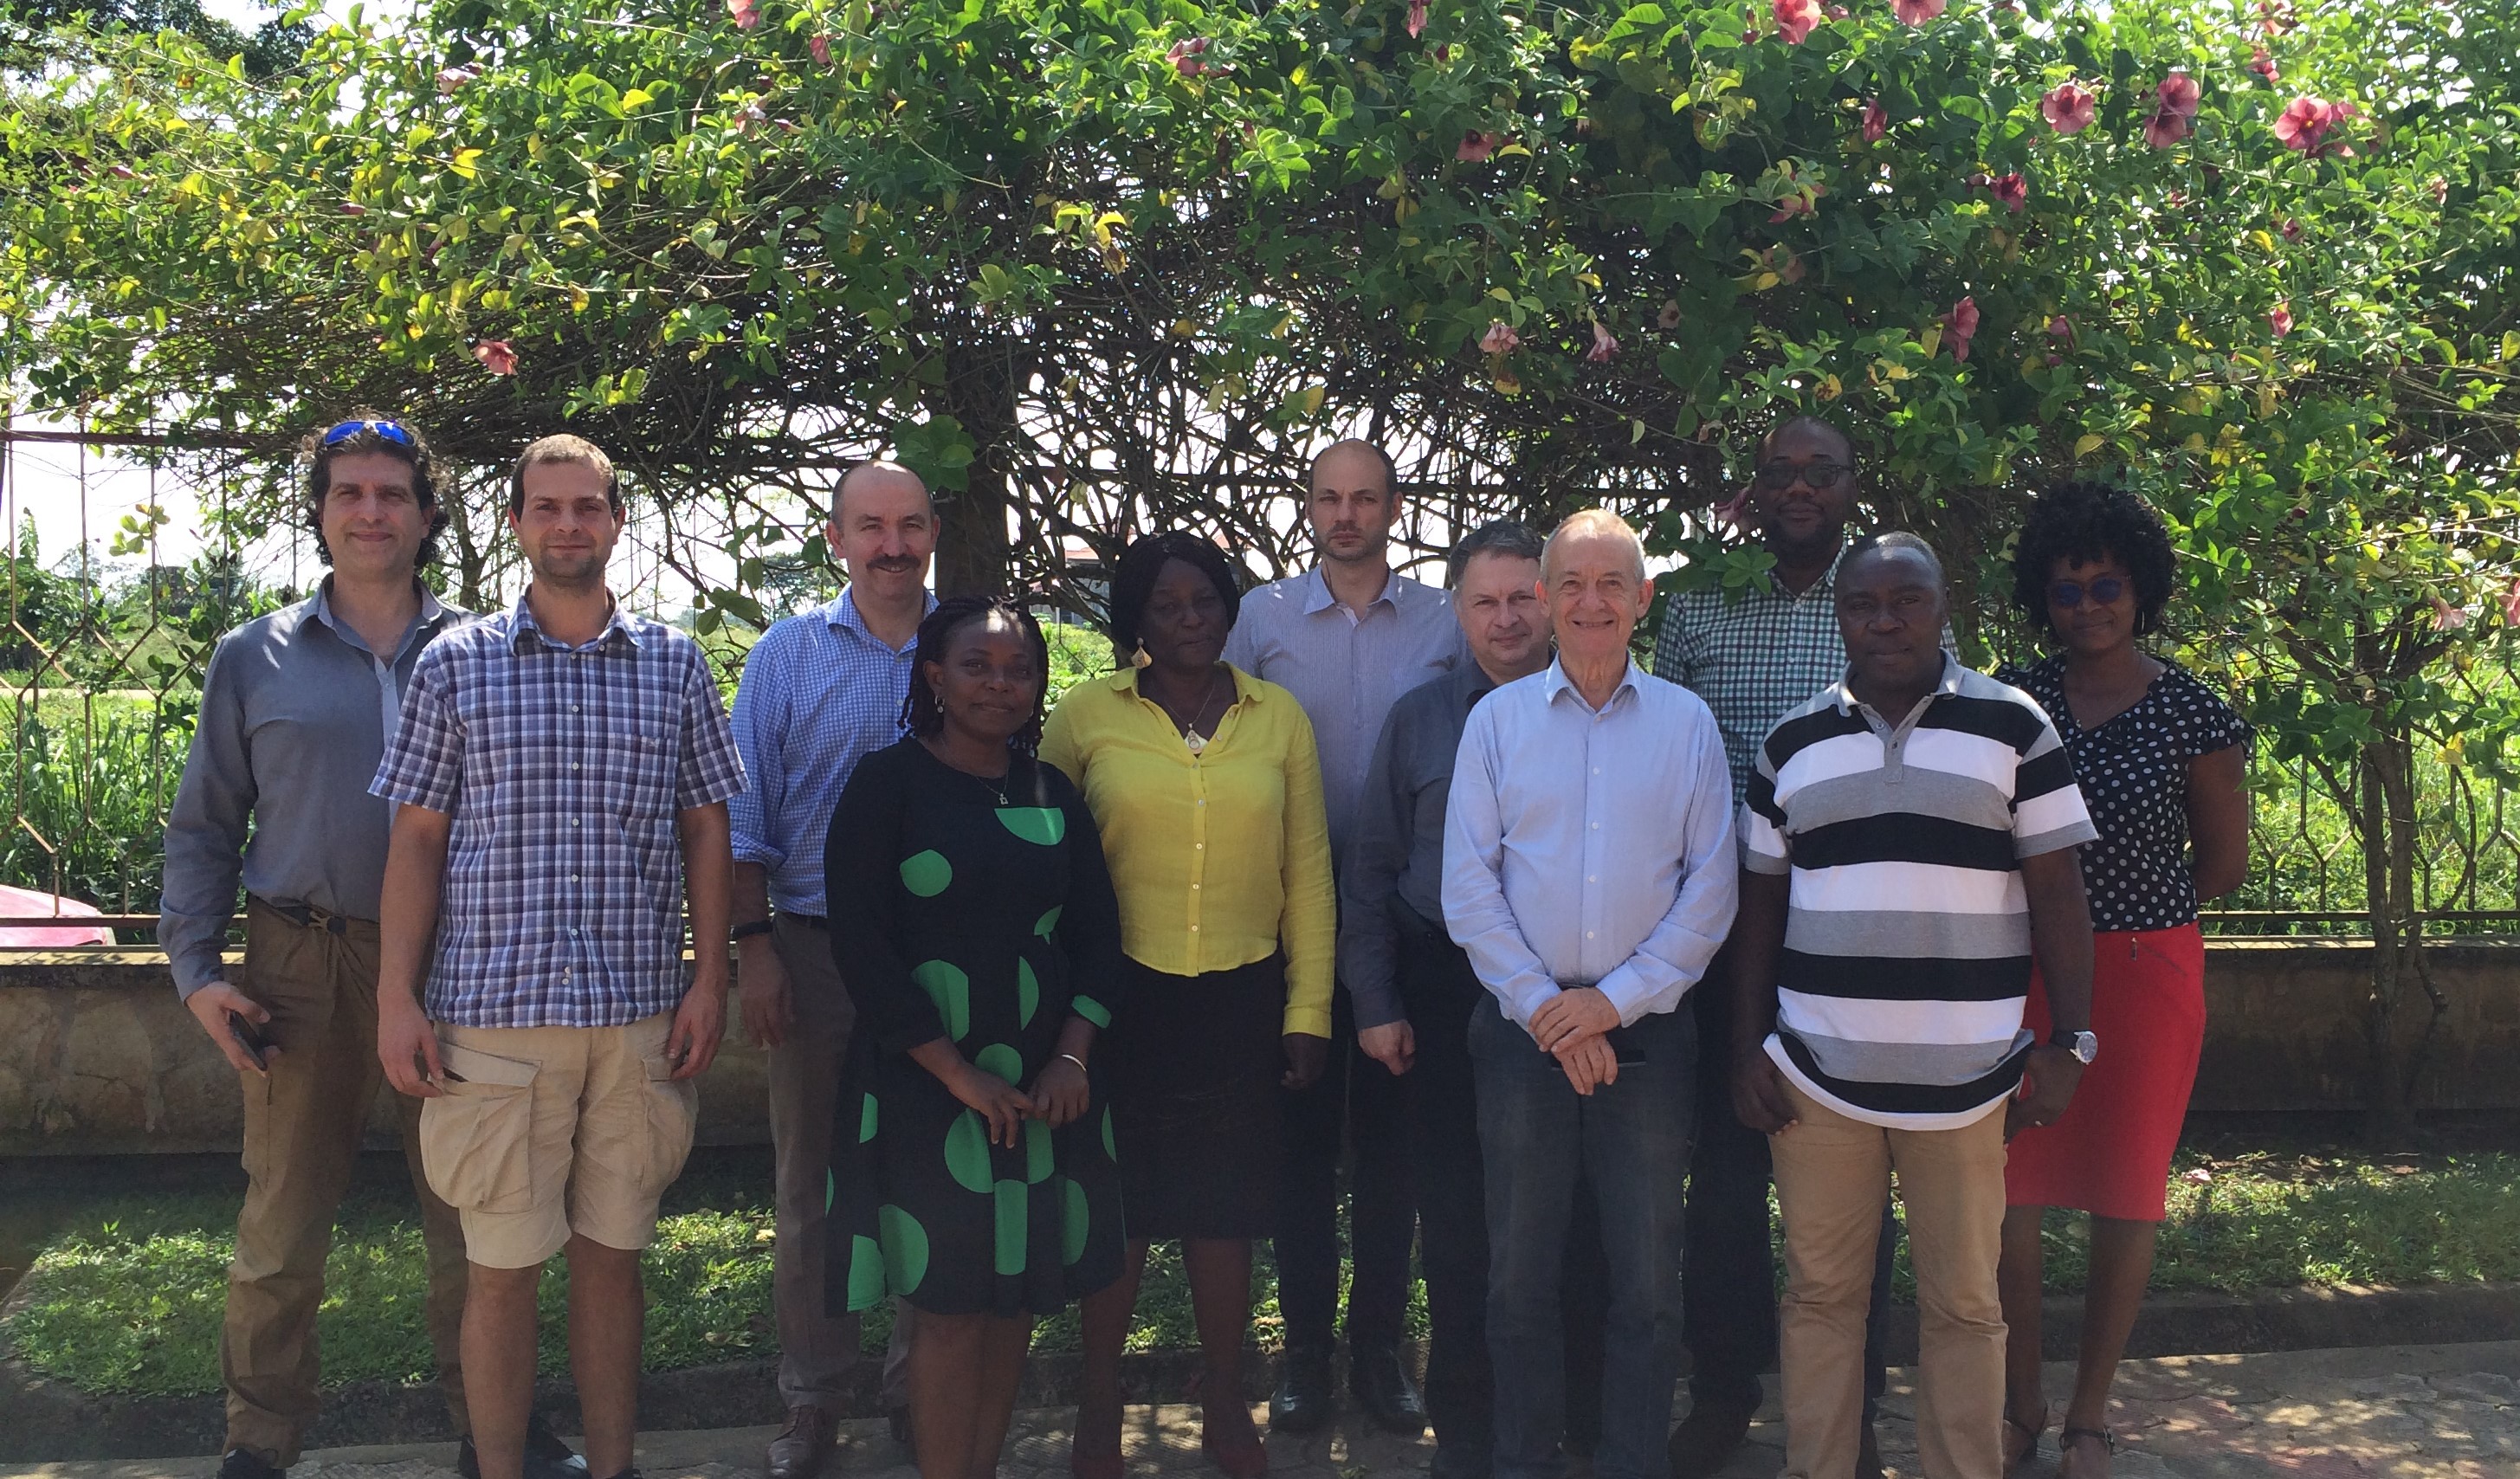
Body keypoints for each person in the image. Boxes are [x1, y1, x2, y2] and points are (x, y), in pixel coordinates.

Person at [159, 415, 581, 1479]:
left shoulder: (489, 649)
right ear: (319, 512)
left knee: (479, 1218)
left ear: (428, 515)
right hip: (300, 963)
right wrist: (198, 972)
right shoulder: (253, 657)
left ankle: (498, 1435)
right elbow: (204, 822)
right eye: (348, 493)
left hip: (458, 963)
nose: (370, 512)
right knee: (284, 1219)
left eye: (392, 494)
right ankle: (258, 1442)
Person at [372, 434, 746, 1479]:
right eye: (549, 507)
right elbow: (416, 837)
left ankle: (613, 1468)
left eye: (589, 506)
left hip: (634, 1016)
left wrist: (707, 975)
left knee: (613, 1266)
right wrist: (397, 996)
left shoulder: (673, 664)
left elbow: (707, 826)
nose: (569, 524)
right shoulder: (455, 664)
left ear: (618, 520)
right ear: (516, 522)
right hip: (493, 1020)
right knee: (498, 1274)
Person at [1731, 533, 2099, 1479]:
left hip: (1970, 1081)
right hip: (1819, 1080)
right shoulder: (1791, 742)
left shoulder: (2016, 728)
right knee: (1819, 1300)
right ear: (1840, 613)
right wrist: (1749, 1050)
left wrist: (2072, 1042)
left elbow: (2059, 894)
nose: (1885, 620)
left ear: (1944, 609)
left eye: (1908, 601)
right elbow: (1760, 910)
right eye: (1864, 604)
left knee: (1966, 1305)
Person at [1442, 509, 1738, 1479]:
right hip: (1522, 1036)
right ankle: (1523, 1462)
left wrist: (1610, 1005)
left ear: (1643, 598)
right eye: (1570, 582)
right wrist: (1548, 1010)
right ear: (1543, 597)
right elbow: (1469, 889)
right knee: (1519, 1278)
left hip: (1648, 1039)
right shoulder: (1496, 723)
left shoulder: (1688, 725)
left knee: (1648, 1284)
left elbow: (1711, 890)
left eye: (1613, 582)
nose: (1591, 601)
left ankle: (1629, 1461)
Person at [1042, 530, 1337, 1479]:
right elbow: (1044, 867)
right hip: (1118, 1000)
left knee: (1225, 1213)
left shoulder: (1277, 716)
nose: (1188, 620)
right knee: (1118, 1212)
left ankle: (1225, 1399)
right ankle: (1098, 1404)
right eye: (1166, 606)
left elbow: (1311, 873)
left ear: (1229, 608)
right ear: (1135, 620)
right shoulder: (1086, 720)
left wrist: (1309, 1011)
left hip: (1242, 1000)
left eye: (1205, 601)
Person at [1651, 414, 1910, 1479]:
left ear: (1852, 487)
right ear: (1752, 488)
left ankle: (1852, 1397)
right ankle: (1725, 1387)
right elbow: (1665, 756)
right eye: (1779, 471)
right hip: (1719, 937)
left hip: (1848, 941)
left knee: (1859, 1174)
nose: (1799, 487)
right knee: (1721, 1180)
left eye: (1821, 471)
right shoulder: (1700, 603)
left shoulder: (1884, 604)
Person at [822, 597, 1128, 1479]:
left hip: (1041, 1092)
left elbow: (1099, 937)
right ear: (932, 677)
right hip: (928, 1090)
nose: (1001, 684)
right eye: (977, 665)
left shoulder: (1052, 793)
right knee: (951, 1308)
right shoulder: (887, 784)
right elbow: (863, 947)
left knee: (1011, 1308)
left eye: (1019, 669)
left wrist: (1073, 1054)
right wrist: (956, 1074)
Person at [1339, 520, 1609, 1479]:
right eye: (1484, 601)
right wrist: (1375, 1000)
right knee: (1457, 1225)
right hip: (1445, 990)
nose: (1506, 619)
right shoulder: (1419, 720)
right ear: (1457, 614)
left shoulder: (1607, 712)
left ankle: (1570, 1423)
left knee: (1569, 1223)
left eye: (1521, 598)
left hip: (1574, 997)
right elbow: (1371, 871)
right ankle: (1467, 1434)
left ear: (1552, 599)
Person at [1992, 484, 2252, 1477]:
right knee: (2009, 1192)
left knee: (2126, 1192)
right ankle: (2021, 1400)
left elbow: (2221, 866)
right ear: (2041, 599)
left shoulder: (2195, 712)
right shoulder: (2013, 702)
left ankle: (2089, 1415)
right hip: (2023, 973)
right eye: (2065, 590)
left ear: (2140, 588)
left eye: (2106, 585)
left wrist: (2131, 921)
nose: (2087, 604)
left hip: (2147, 973)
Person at [1223, 438, 1460, 1436]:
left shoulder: (1447, 622)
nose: (1347, 514)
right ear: (1309, 507)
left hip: (1406, 920)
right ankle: (1305, 1357)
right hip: (1291, 921)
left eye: (1366, 498)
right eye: (1330, 498)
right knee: (1301, 1150)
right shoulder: (1262, 618)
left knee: (1394, 1156)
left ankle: (1381, 1353)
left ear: (1394, 509)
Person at [727, 460, 935, 1477]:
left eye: (908, 524)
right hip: (810, 954)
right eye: (871, 526)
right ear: (836, 539)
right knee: (811, 1184)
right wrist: (751, 945)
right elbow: (743, 815)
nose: (891, 544)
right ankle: (813, 1399)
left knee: (928, 1175)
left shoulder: (966, 647)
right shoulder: (787, 655)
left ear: (932, 532)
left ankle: (919, 1388)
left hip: (939, 959)